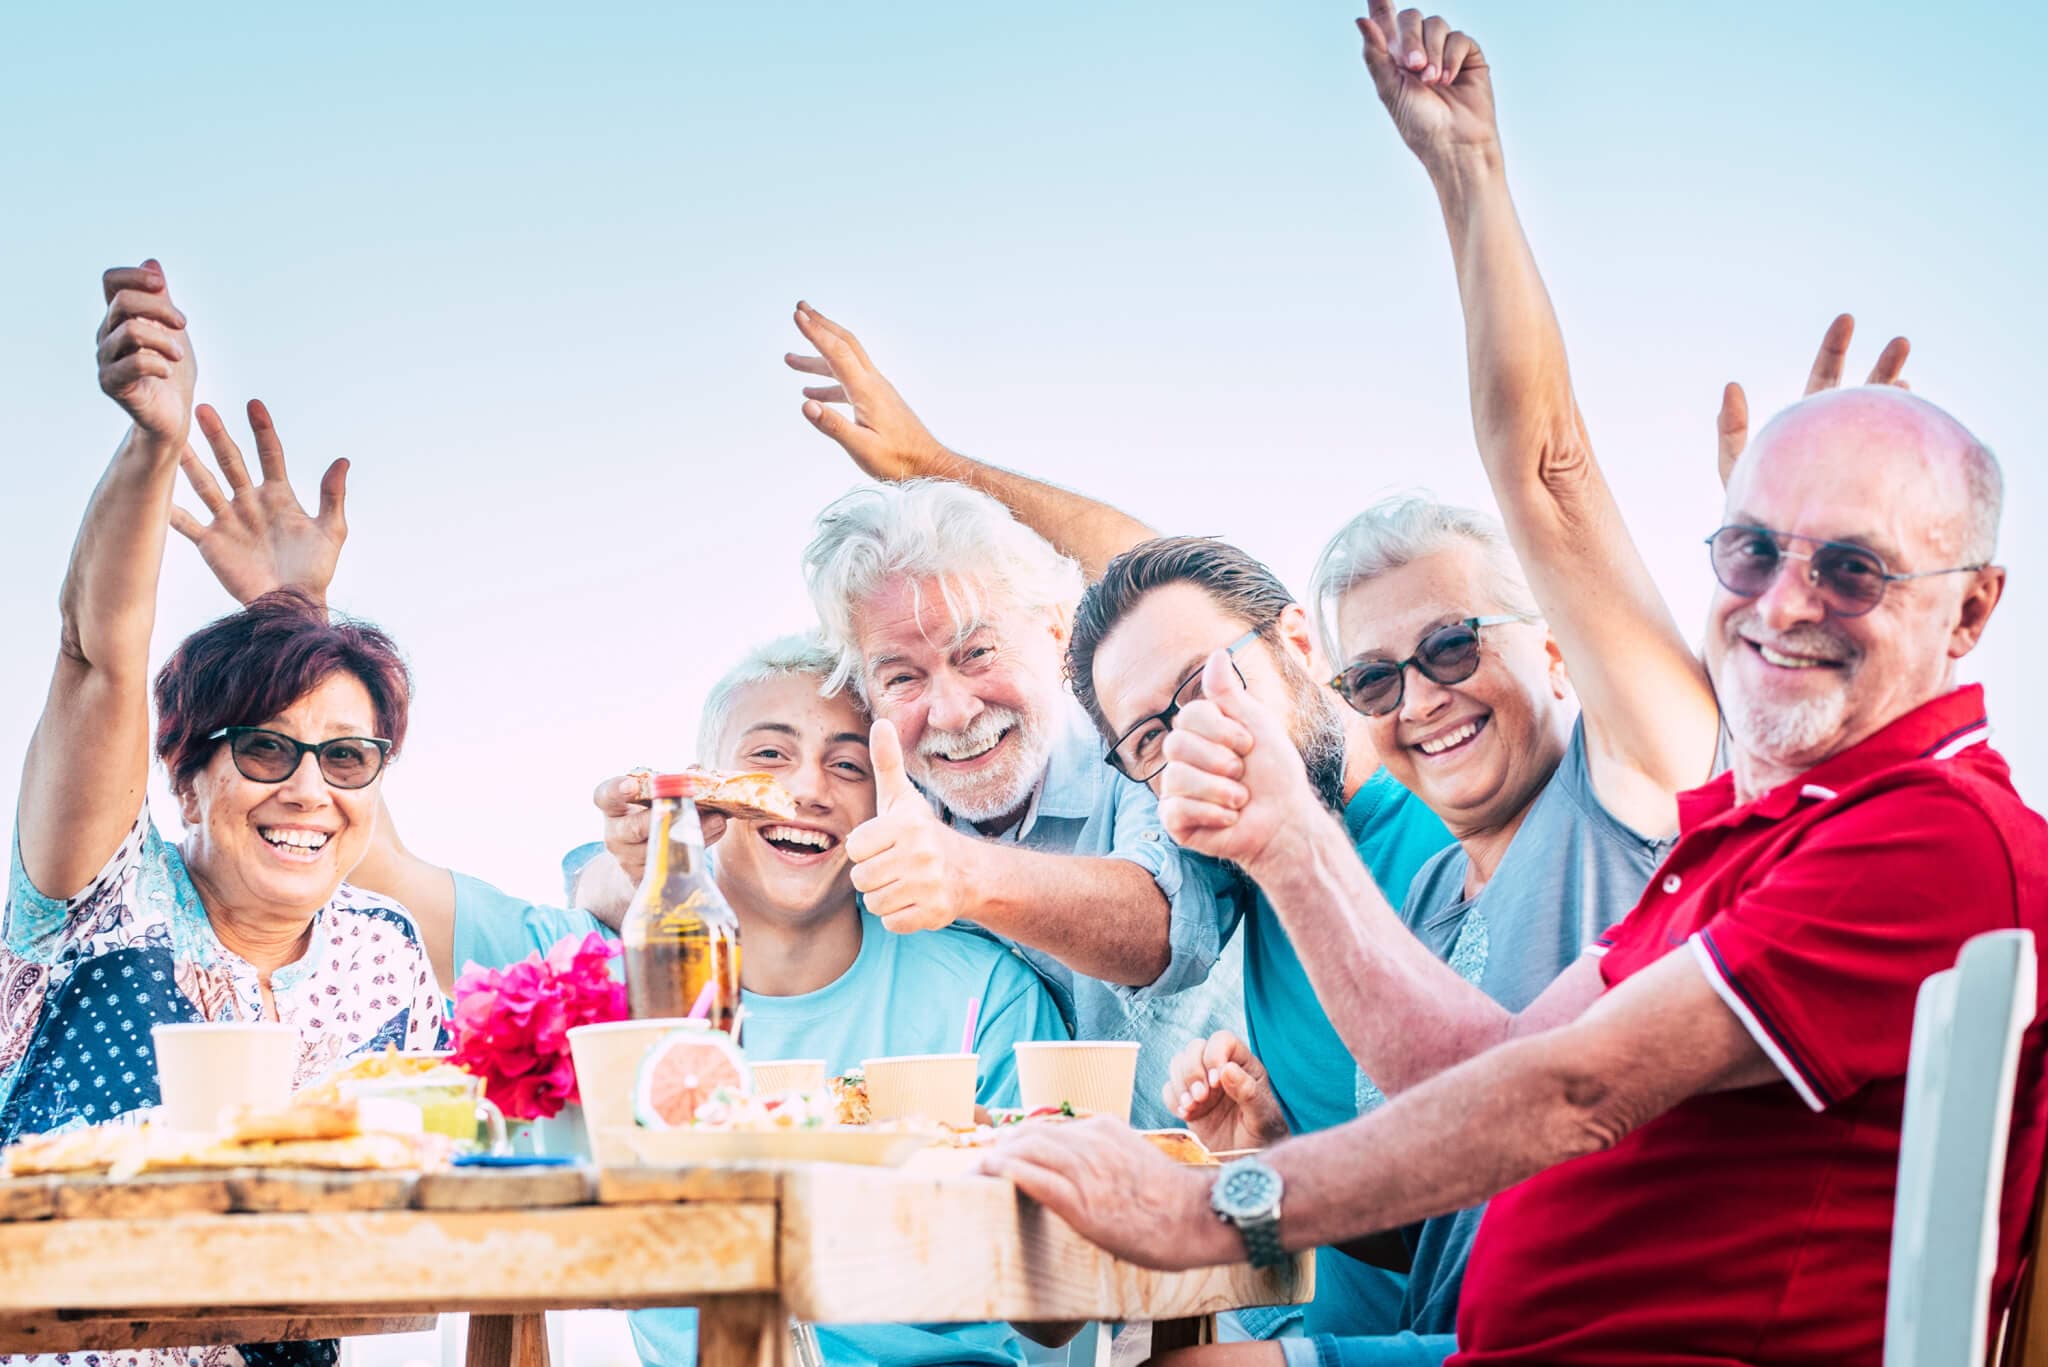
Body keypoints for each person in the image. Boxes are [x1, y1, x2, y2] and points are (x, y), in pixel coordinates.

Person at [979, 9, 2044, 1366]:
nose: (1782, 604)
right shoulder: (1724, 840)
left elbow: (1572, 1090)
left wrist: (1209, 1204)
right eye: (1752, 547)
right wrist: (1287, 852)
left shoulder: (1799, 809)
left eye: (1854, 566)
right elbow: (1481, 1071)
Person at [0, 264, 445, 1367]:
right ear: (187, 774)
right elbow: (94, 659)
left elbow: (441, 1202)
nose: (309, 788)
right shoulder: (100, 893)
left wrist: (292, 611)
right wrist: (150, 449)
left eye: (347, 756)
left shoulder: (384, 957)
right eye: (262, 749)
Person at [585, 477, 1241, 1131]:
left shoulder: (1135, 738)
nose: (954, 712)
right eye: (902, 676)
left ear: (1056, 631)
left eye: (978, 652)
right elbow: (681, 870)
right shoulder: (879, 781)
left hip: (1219, 1167)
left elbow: (1171, 932)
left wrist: (966, 874)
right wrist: (653, 861)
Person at [607, 635, 1069, 1367]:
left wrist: (985, 1168)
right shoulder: (616, 987)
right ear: (705, 790)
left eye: (849, 764)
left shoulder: (987, 995)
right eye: (768, 755)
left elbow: (1058, 1323)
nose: (809, 788)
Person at [162, 398, 617, 993]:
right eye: (766, 755)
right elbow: (363, 861)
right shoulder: (597, 962)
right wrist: (291, 618)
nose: (785, 793)